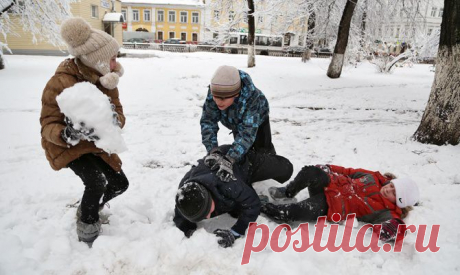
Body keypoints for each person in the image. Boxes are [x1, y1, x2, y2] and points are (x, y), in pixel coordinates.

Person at [40, 17, 128, 245]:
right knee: (96, 181)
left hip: (94, 144)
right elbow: (48, 123)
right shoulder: (61, 83)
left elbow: (120, 116)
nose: (115, 63)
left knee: (119, 183)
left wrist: (112, 119)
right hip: (66, 146)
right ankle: (87, 227)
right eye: (111, 58)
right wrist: (66, 134)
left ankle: (90, 207)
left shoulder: (106, 82)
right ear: (96, 60)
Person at [262, 165, 420, 242]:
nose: (388, 190)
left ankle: (269, 209)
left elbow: (394, 227)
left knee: (298, 211)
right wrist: (329, 168)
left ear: (399, 202)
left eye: (394, 193)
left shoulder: (388, 211)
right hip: (330, 184)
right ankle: (288, 192)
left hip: (331, 206)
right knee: (310, 171)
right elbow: (348, 172)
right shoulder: (374, 177)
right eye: (391, 186)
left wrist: (394, 228)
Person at [174, 145, 293, 248]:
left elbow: (253, 204)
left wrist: (235, 232)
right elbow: (181, 213)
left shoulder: (227, 183)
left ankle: (262, 148)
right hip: (228, 179)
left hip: (244, 162)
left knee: (286, 168)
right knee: (236, 208)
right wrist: (187, 229)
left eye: (207, 211)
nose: (209, 216)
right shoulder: (186, 191)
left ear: (209, 197)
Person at [200, 65, 275, 183]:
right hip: (234, 121)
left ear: (235, 94)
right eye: (215, 97)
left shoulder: (252, 98)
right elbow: (208, 121)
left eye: (223, 98)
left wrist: (229, 158)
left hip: (259, 119)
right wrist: (213, 150)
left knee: (263, 149)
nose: (217, 102)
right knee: (243, 151)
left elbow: (247, 134)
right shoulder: (215, 93)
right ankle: (247, 172)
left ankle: (270, 169)